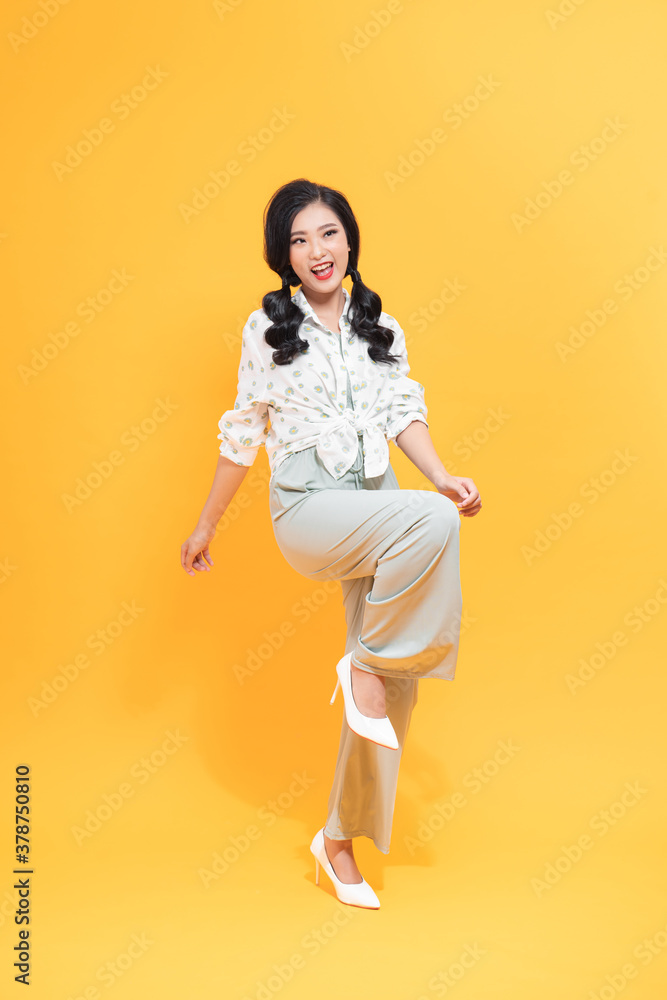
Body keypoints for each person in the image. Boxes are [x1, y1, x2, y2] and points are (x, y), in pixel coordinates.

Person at [180, 178, 481, 909]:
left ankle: (337, 841)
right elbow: (243, 433)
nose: (317, 251)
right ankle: (366, 667)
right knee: (431, 528)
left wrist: (442, 475)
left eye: (328, 234)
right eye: (299, 240)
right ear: (283, 255)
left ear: (349, 239)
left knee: (391, 694)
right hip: (310, 503)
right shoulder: (267, 328)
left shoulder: (381, 324)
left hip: (375, 497)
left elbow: (401, 408)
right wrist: (206, 523)